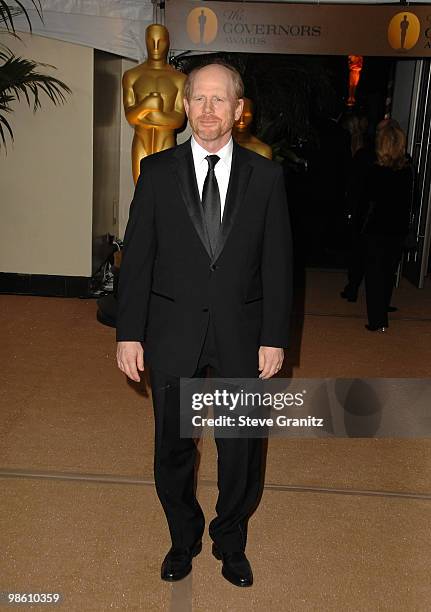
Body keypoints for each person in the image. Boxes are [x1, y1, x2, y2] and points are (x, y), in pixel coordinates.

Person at [116, 61, 292, 587]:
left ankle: (230, 539)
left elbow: (279, 264)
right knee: (173, 445)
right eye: (199, 98)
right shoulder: (158, 171)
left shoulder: (266, 177)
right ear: (184, 105)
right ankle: (183, 535)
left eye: (220, 100)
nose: (208, 109)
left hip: (242, 331)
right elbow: (139, 258)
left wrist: (274, 338)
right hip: (172, 331)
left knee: (239, 446)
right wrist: (129, 332)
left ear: (239, 111)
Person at [360, 122, 414, 331]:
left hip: (376, 229)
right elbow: (410, 201)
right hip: (397, 229)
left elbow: (366, 201)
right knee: (389, 272)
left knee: (374, 274)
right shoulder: (407, 171)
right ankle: (382, 310)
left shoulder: (375, 171)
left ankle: (378, 320)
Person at [122, 24, 187, 184]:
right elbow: (130, 117)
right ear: (145, 41)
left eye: (161, 41)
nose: (156, 46)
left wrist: (154, 114)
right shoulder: (132, 76)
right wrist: (147, 104)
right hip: (140, 141)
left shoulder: (179, 79)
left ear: (168, 42)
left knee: (165, 191)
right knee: (140, 192)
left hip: (166, 141)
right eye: (151, 41)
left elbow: (179, 120)